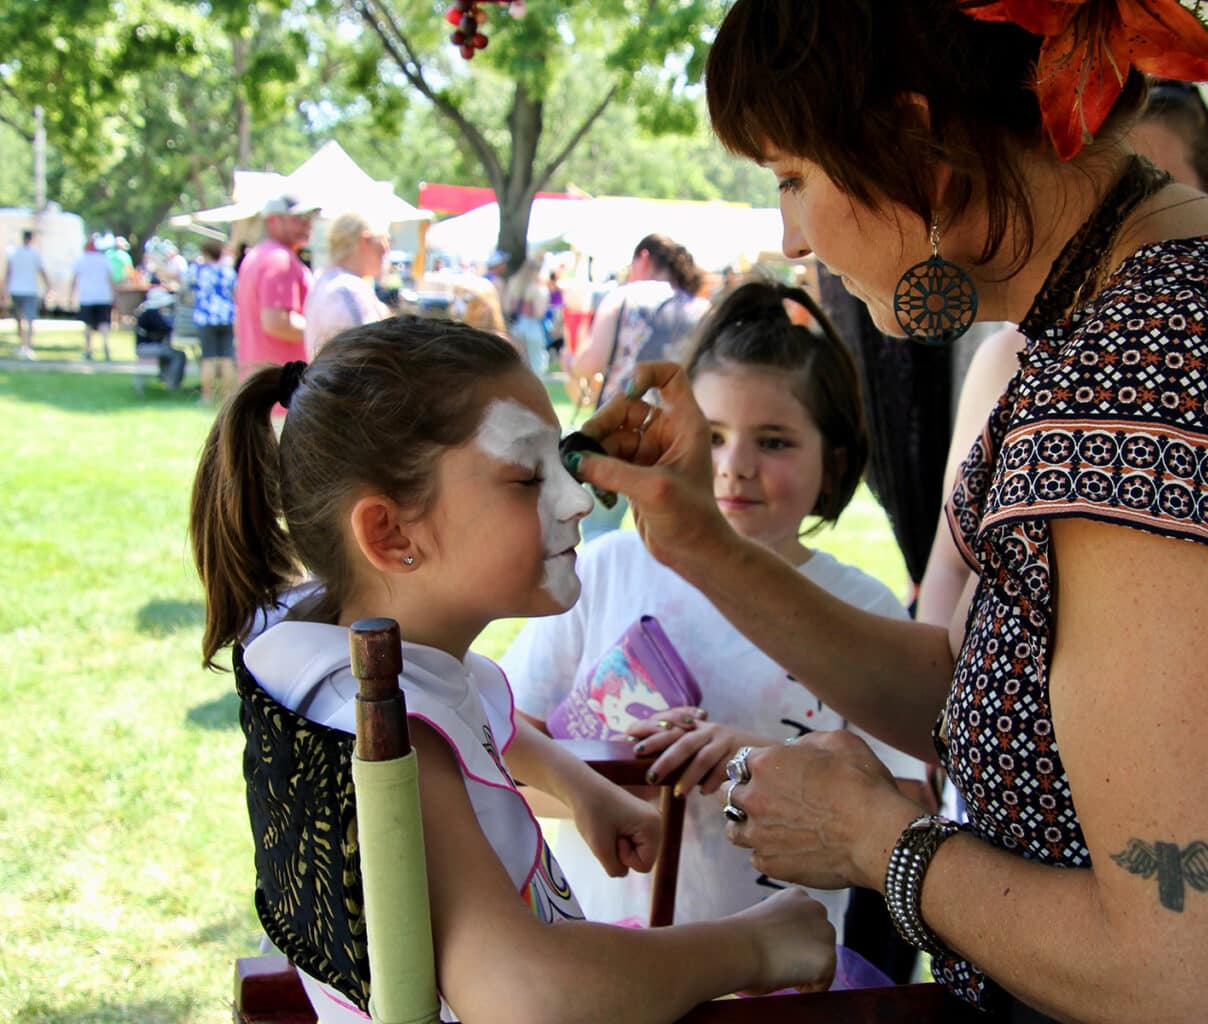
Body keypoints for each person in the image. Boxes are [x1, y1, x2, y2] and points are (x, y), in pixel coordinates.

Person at [565, 2, 1208, 1020]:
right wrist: (703, 546)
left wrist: (880, 843)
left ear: (915, 148)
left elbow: (1199, 973)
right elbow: (1007, 699)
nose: (792, 236)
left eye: (793, 178)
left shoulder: (1142, 385)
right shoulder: (1205, 290)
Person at [189, 316, 835, 1024]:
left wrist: (578, 785)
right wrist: (753, 945)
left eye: (560, 463)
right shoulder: (392, 744)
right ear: (390, 533)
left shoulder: (347, 650)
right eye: (528, 477)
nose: (577, 499)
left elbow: (473, 715)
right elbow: (525, 997)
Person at [503, 280, 929, 945]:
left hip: (778, 981)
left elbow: (913, 815)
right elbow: (500, 758)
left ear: (833, 462)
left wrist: (762, 766)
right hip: (602, 960)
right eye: (715, 436)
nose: (735, 467)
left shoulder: (861, 613)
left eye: (775, 442)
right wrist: (603, 791)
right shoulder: (606, 570)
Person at [917, 71, 1208, 643]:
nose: (1120, 226)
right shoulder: (1009, 357)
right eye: (1106, 194)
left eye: (1154, 192)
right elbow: (950, 565)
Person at [570, 234, 710, 540]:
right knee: (674, 537)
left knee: (598, 532)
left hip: (618, 426)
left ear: (643, 258)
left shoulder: (622, 297)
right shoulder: (703, 309)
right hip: (681, 433)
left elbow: (588, 363)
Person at [235, 194, 316, 380]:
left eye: (309, 217)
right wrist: (326, 331)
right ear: (273, 220)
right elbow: (277, 322)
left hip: (264, 383)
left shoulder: (258, 255)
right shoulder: (279, 260)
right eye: (298, 218)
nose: (307, 223)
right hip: (284, 386)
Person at [302, 212, 391, 358]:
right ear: (365, 241)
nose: (387, 249)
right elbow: (368, 356)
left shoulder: (322, 280)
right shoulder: (349, 290)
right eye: (385, 240)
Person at [192, 239, 238, 405]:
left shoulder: (199, 271)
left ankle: (206, 396)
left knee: (208, 357)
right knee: (227, 357)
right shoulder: (228, 272)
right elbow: (235, 293)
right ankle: (228, 397)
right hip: (227, 317)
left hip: (206, 317)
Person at [5, 230, 50, 360]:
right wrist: (48, 286)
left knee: (19, 319)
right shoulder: (35, 255)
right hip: (30, 290)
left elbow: (8, 273)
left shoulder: (13, 253)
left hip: (15, 289)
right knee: (29, 319)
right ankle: (28, 346)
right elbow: (42, 272)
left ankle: (22, 344)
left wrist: (5, 289)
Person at [70, 236, 116, 361]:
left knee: (88, 324)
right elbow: (110, 278)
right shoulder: (104, 260)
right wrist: (113, 294)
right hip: (103, 296)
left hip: (87, 296)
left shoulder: (81, 260)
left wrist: (71, 295)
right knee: (104, 323)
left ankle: (88, 349)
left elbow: (74, 279)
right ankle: (106, 346)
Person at [134, 285, 187, 390]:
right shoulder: (151, 313)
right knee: (179, 355)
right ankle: (173, 384)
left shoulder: (146, 312)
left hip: (145, 346)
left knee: (170, 352)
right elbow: (165, 329)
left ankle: (166, 378)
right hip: (148, 347)